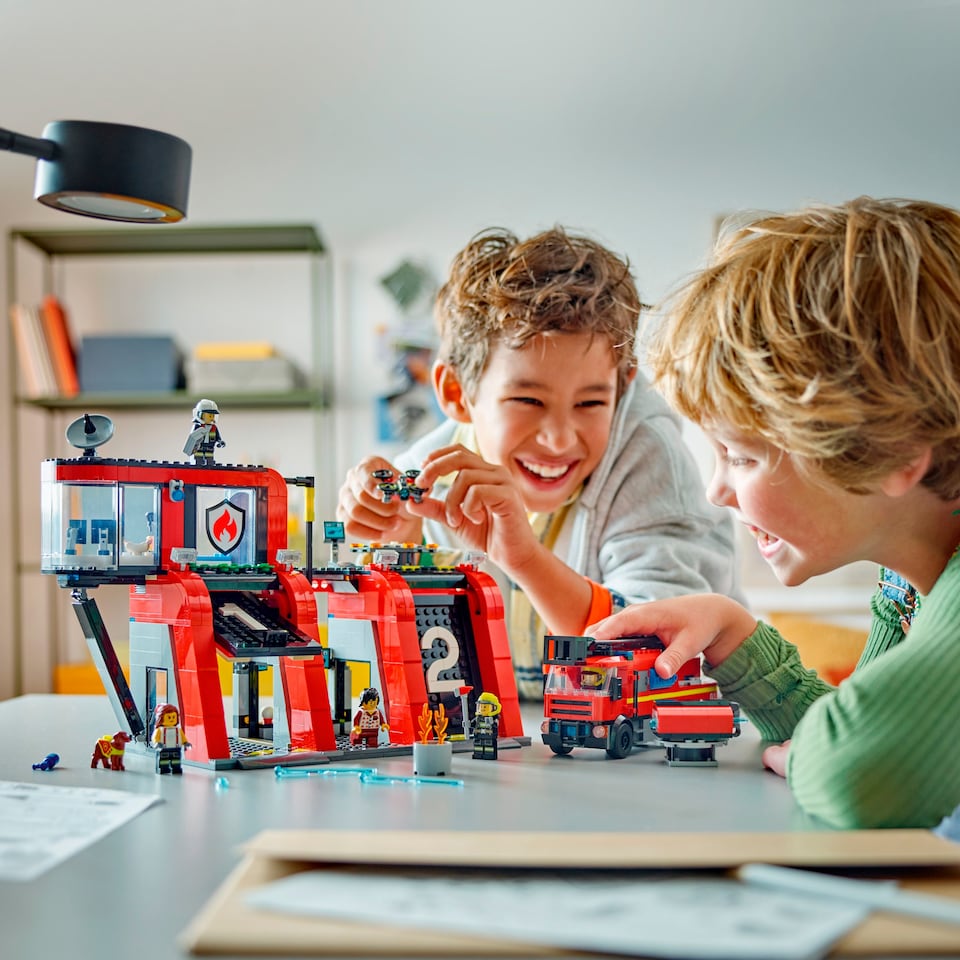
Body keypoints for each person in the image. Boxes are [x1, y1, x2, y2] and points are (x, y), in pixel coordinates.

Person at [587, 197, 960, 829]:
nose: (716, 491)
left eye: (741, 456)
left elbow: (859, 769)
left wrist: (816, 758)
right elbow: (854, 727)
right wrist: (736, 637)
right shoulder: (908, 584)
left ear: (894, 452)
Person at [338, 226, 740, 698]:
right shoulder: (422, 485)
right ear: (456, 393)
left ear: (623, 387)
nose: (558, 438)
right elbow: (388, 679)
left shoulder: (650, 461)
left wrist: (525, 559)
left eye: (591, 404)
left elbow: (658, 658)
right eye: (528, 399)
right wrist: (399, 563)